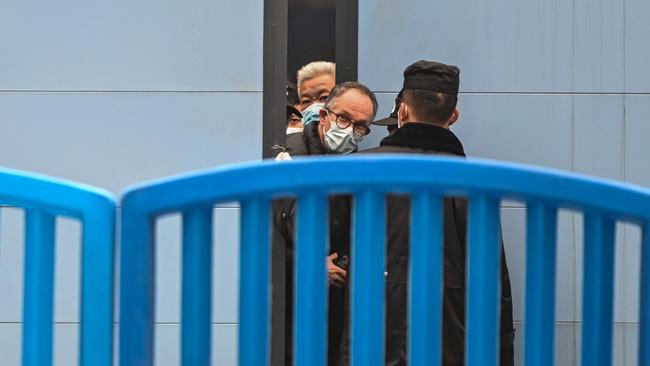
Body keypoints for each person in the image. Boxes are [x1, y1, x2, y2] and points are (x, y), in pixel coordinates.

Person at [338, 60, 515, 365]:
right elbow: (494, 281)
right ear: (454, 116)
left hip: (369, 346)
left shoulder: (358, 171)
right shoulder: (474, 185)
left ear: (402, 111)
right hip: (448, 350)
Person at [273, 81, 378, 366]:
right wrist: (308, 264)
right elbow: (272, 235)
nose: (349, 130)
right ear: (323, 116)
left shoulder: (355, 169)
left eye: (360, 126)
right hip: (284, 311)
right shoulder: (288, 158)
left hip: (332, 313)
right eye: (343, 118)